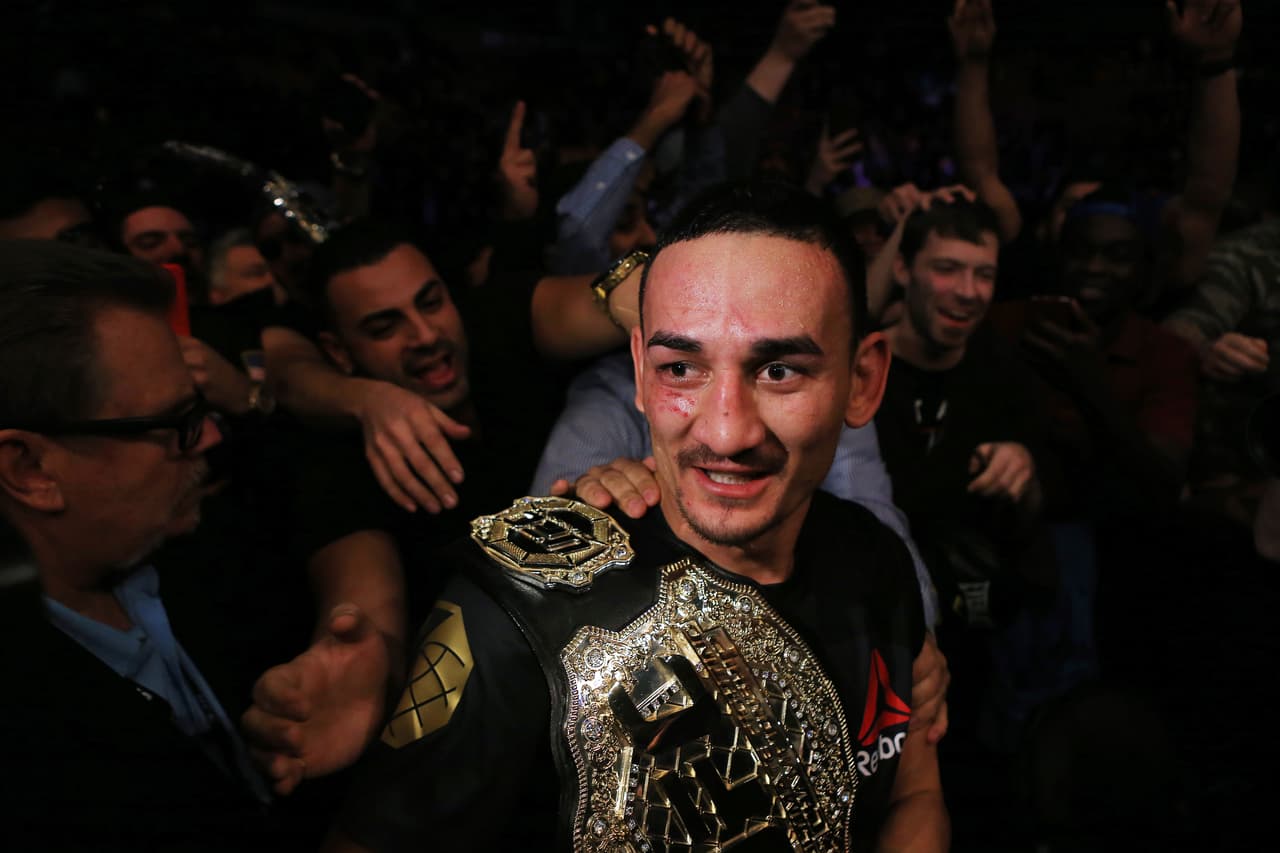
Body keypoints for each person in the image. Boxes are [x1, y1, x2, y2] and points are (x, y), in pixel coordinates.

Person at [314, 183, 947, 851]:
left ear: (864, 379)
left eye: (780, 369)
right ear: (642, 375)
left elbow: (915, 793)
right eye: (681, 367)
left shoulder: (876, 559)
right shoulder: (521, 613)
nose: (727, 430)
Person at [0, 241, 297, 848]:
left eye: (203, 411)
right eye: (175, 425)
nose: (209, 438)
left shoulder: (180, 544)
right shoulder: (35, 757)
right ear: (30, 468)